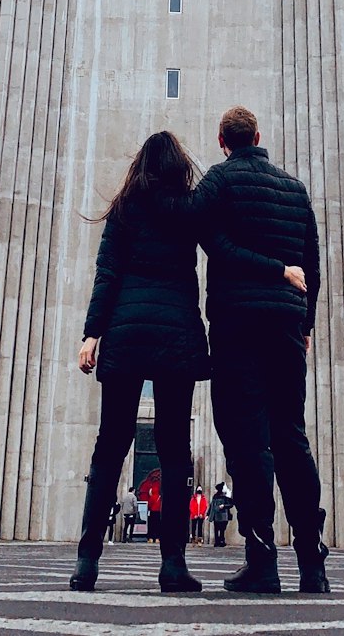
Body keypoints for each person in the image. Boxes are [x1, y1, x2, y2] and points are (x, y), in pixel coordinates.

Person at [193, 105, 329, 595]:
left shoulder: (219, 181)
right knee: (291, 436)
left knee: (247, 441)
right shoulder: (295, 190)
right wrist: (306, 322)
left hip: (237, 327)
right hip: (287, 328)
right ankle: (312, 562)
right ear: (259, 135)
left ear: (222, 139)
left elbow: (197, 229)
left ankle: (263, 560)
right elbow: (311, 266)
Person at [69, 132, 208, 594]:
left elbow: (106, 272)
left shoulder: (126, 209)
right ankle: (172, 565)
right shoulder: (187, 209)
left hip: (127, 334)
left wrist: (92, 334)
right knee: (173, 450)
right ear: (178, 167)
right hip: (176, 336)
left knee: (110, 445)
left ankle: (87, 562)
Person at [139, 471, 163, 544]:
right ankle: (158, 538)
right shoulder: (160, 497)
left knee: (151, 526)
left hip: (152, 512)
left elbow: (149, 505)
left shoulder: (152, 497)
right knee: (158, 525)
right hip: (159, 512)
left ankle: (151, 538)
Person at [208, 482, 232, 546]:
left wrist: (224, 505)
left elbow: (230, 504)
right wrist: (208, 514)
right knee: (217, 529)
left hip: (223, 515)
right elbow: (212, 505)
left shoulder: (225, 496)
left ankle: (221, 541)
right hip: (217, 515)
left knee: (222, 529)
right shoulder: (215, 496)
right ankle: (217, 541)